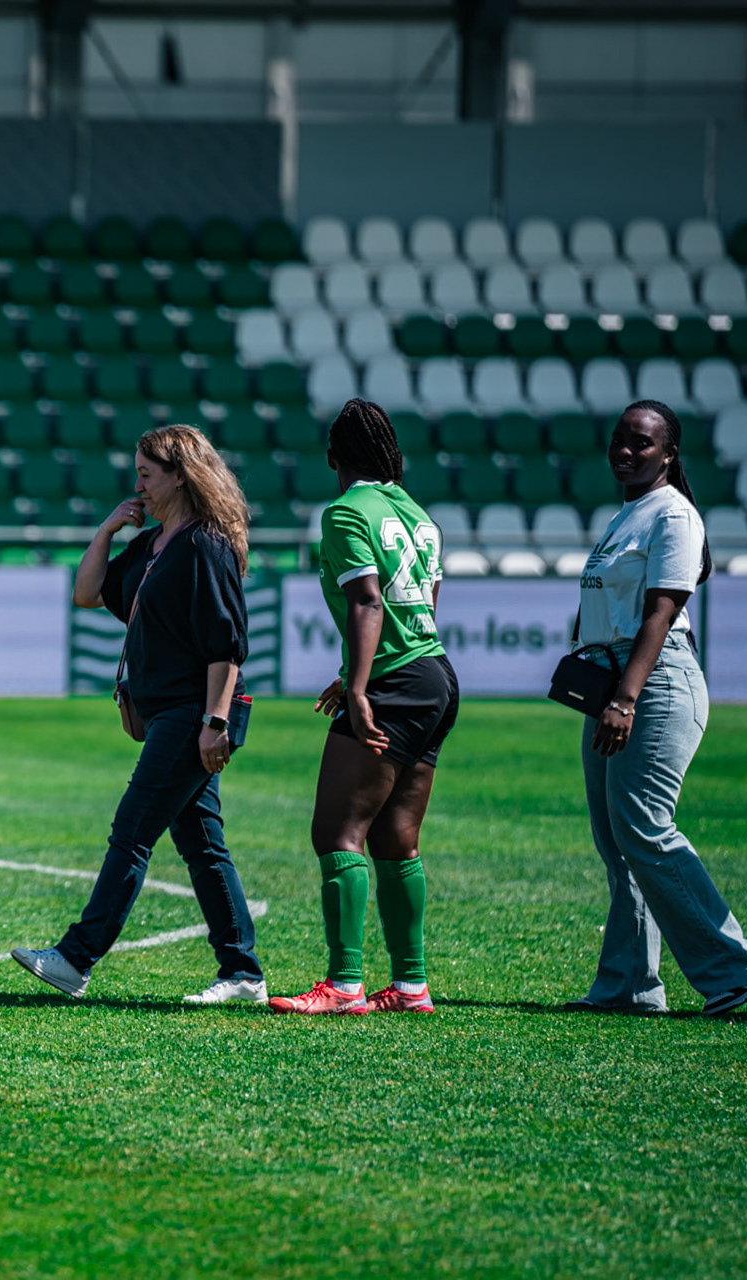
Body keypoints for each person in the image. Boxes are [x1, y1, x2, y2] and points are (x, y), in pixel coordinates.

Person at [11, 425, 265, 1005]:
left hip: (193, 714)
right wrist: (107, 529)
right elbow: (88, 592)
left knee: (131, 833)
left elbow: (227, 643)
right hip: (170, 714)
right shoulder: (151, 543)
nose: (139, 484)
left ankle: (76, 959)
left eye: (148, 473)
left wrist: (216, 722)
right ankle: (243, 972)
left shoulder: (206, 542)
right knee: (202, 844)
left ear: (181, 475)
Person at [569, 400, 747, 1016]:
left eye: (642, 442)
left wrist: (626, 698)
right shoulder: (630, 512)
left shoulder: (675, 515)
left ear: (669, 453)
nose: (626, 450)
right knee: (618, 840)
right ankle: (629, 984)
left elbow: (661, 612)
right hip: (615, 682)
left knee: (645, 827)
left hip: (654, 684)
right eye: (619, 439)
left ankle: (735, 967)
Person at [269, 398, 455, 1016]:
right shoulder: (420, 515)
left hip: (394, 681)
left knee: (337, 830)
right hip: (434, 674)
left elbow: (370, 603)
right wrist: (354, 671)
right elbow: (423, 603)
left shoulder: (347, 512)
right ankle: (410, 985)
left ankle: (345, 986)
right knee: (397, 836)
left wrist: (359, 689)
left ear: (333, 459)